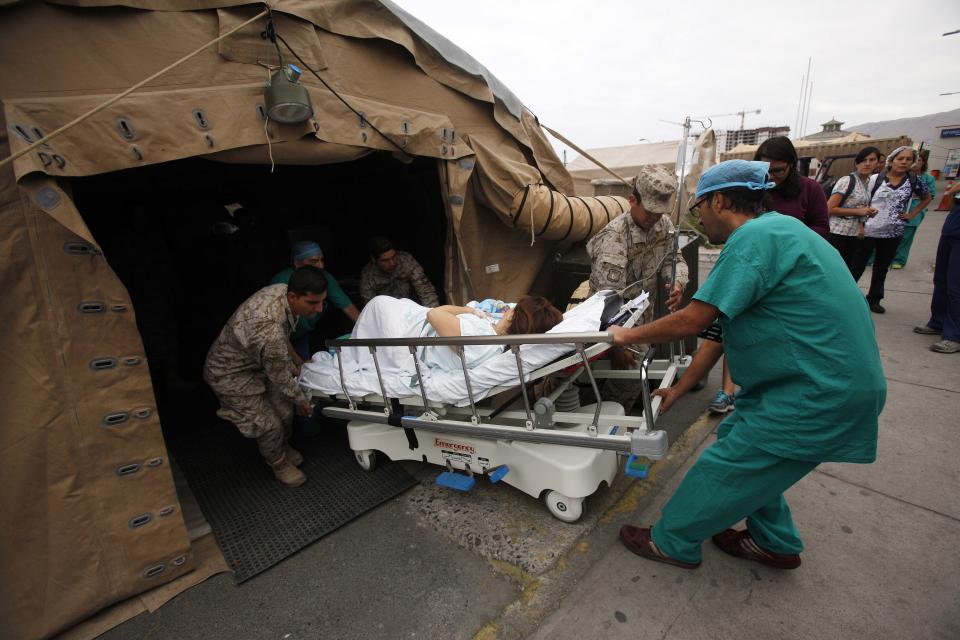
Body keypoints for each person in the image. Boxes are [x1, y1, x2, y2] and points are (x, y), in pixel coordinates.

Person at [609, 160, 885, 570]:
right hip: (827, 381)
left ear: (718, 200)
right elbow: (720, 327)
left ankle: (672, 541)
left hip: (816, 390)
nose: (698, 218)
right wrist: (681, 387)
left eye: (698, 207)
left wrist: (623, 335)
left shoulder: (752, 239)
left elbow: (693, 319)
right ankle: (773, 541)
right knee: (750, 448)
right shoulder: (783, 230)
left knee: (731, 462)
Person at [203, 266, 329, 487]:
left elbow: (283, 338)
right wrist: (302, 400)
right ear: (293, 296)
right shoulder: (266, 327)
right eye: (312, 303)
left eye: (322, 301)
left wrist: (297, 362)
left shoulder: (282, 292)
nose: (319, 308)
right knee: (268, 424)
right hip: (231, 373)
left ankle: (282, 445)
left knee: (283, 411)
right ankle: (278, 463)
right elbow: (280, 374)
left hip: (260, 361)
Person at [586, 165, 688, 413]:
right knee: (630, 377)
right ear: (633, 200)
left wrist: (677, 282)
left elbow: (674, 258)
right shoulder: (616, 238)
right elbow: (607, 300)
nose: (655, 218)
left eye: (661, 212)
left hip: (643, 319)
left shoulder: (662, 226)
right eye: (651, 211)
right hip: (613, 325)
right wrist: (616, 346)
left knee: (635, 373)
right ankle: (608, 421)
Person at [347, 295, 563, 373]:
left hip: (411, 331)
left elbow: (434, 314)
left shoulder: (479, 340)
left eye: (512, 309)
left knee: (379, 303)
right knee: (399, 302)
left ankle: (350, 352)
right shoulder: (497, 337)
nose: (509, 307)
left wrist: (468, 311)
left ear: (511, 318)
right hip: (422, 325)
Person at [850, 146, 932, 313]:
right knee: (857, 265)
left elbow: (927, 197)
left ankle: (874, 299)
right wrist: (861, 226)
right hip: (869, 229)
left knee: (881, 267)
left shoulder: (914, 181)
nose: (903, 162)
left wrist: (912, 214)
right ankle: (848, 297)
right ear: (892, 160)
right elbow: (863, 202)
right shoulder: (875, 179)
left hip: (893, 231)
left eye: (908, 159)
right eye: (900, 158)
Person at [271, 241, 359, 364]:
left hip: (301, 334)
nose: (321, 266)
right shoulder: (281, 284)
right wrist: (298, 362)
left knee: (304, 369)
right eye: (314, 261)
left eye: (321, 260)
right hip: (277, 335)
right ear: (297, 263)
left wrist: (366, 329)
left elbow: (348, 307)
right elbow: (276, 334)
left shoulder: (324, 278)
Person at [914, 180, 960, 353]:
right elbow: (950, 200)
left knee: (956, 286)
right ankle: (938, 321)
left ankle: (954, 335)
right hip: (951, 230)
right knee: (941, 280)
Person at [755, 136, 830, 238]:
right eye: (764, 171)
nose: (770, 177)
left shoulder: (810, 188)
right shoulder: (753, 187)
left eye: (778, 171)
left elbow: (821, 227)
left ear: (792, 164)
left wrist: (790, 238)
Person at [826, 146, 882, 269]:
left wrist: (866, 214)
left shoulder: (866, 182)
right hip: (837, 233)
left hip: (853, 234)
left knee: (845, 269)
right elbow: (829, 208)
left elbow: (861, 207)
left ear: (877, 163)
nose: (867, 164)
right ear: (857, 163)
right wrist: (860, 211)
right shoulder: (847, 181)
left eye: (872, 160)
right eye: (863, 160)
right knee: (833, 269)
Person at [360, 236, 439, 308]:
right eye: (385, 260)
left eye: (393, 257)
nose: (392, 263)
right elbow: (371, 307)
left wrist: (434, 313)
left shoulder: (407, 261)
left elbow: (426, 291)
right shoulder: (368, 276)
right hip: (387, 313)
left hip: (413, 306)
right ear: (374, 259)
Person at [892, 153, 936, 269]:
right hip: (896, 211)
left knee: (905, 237)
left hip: (913, 211)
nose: (916, 163)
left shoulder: (926, 179)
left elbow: (929, 196)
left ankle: (899, 260)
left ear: (923, 163)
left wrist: (912, 214)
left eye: (919, 160)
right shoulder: (901, 176)